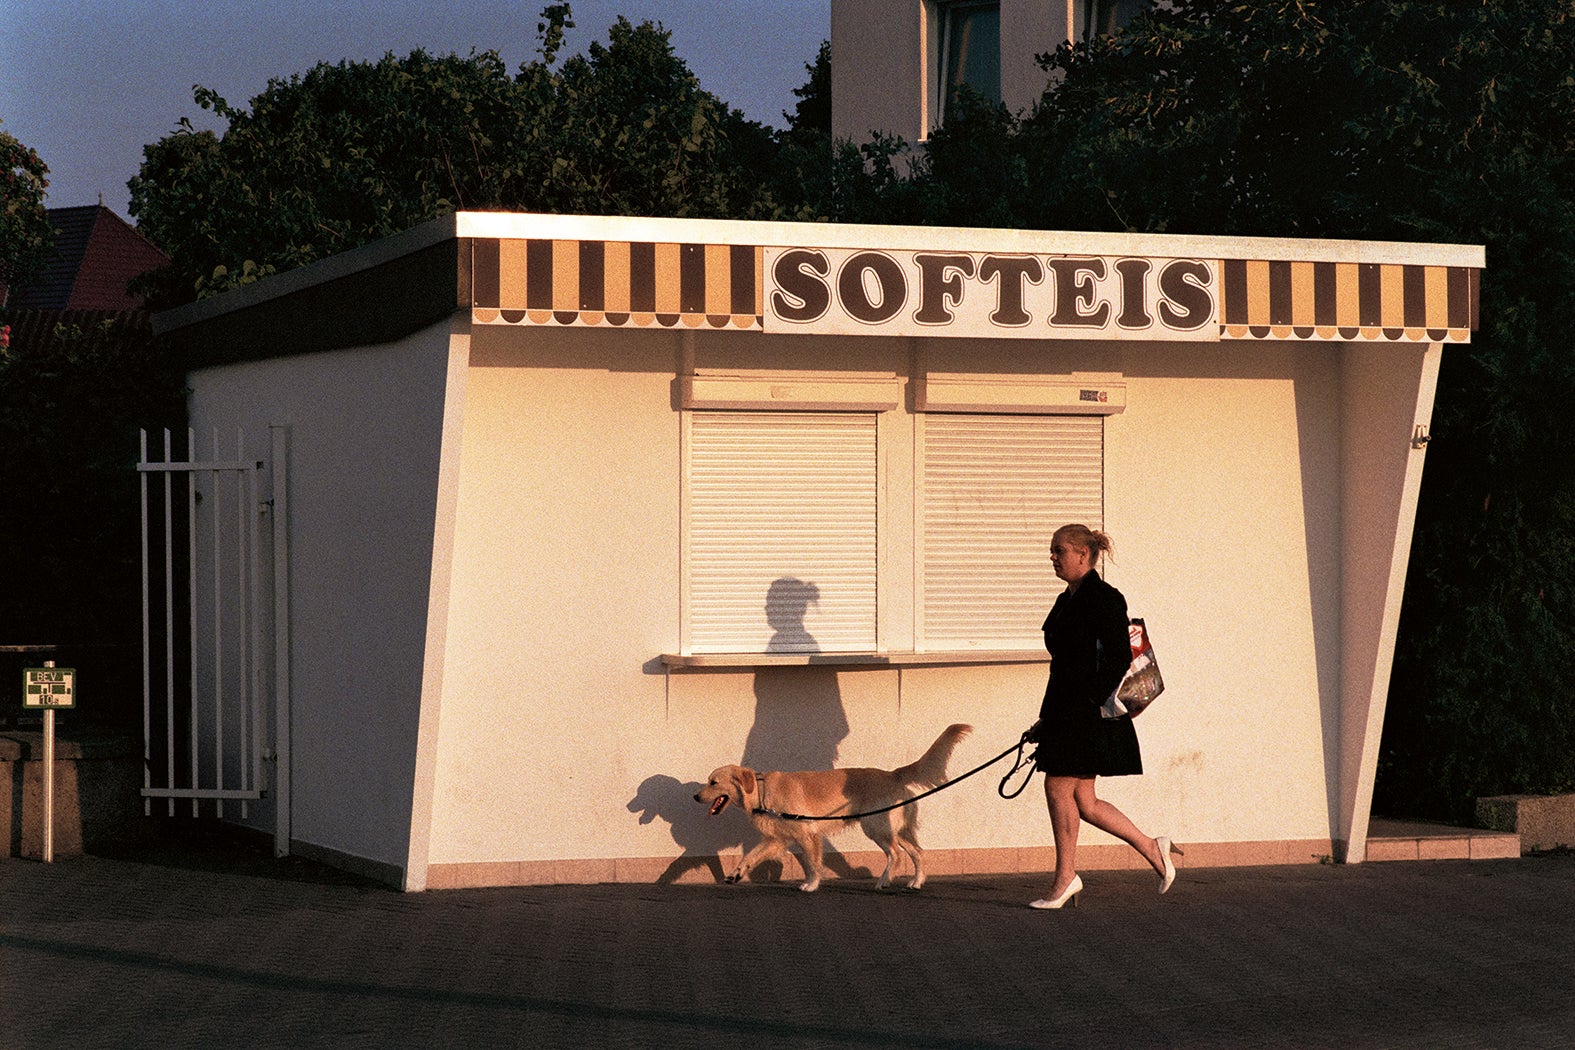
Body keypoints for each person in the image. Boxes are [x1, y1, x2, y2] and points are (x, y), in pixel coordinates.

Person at [1026, 524, 1179, 909]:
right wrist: (1047, 717)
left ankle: (1066, 878)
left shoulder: (1106, 598)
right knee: (1083, 798)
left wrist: (1089, 702)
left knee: (1059, 788)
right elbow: (1060, 668)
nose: (1053, 557)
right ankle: (1152, 848)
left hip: (1086, 714)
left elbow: (1118, 657)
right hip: (1066, 711)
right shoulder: (1067, 600)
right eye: (1052, 551)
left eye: (1059, 550)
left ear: (1083, 555)